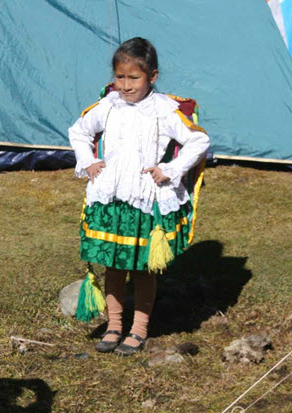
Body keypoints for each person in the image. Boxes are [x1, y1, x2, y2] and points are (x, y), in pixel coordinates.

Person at [68, 37, 210, 355]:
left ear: (152, 76)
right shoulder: (108, 105)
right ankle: (114, 325)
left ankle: (139, 329)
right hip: (113, 198)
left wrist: (171, 170)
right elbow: (78, 131)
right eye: (120, 77)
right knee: (114, 265)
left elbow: (198, 142)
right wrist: (88, 162)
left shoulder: (165, 111)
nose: (126, 86)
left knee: (144, 268)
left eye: (134, 78)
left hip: (146, 202)